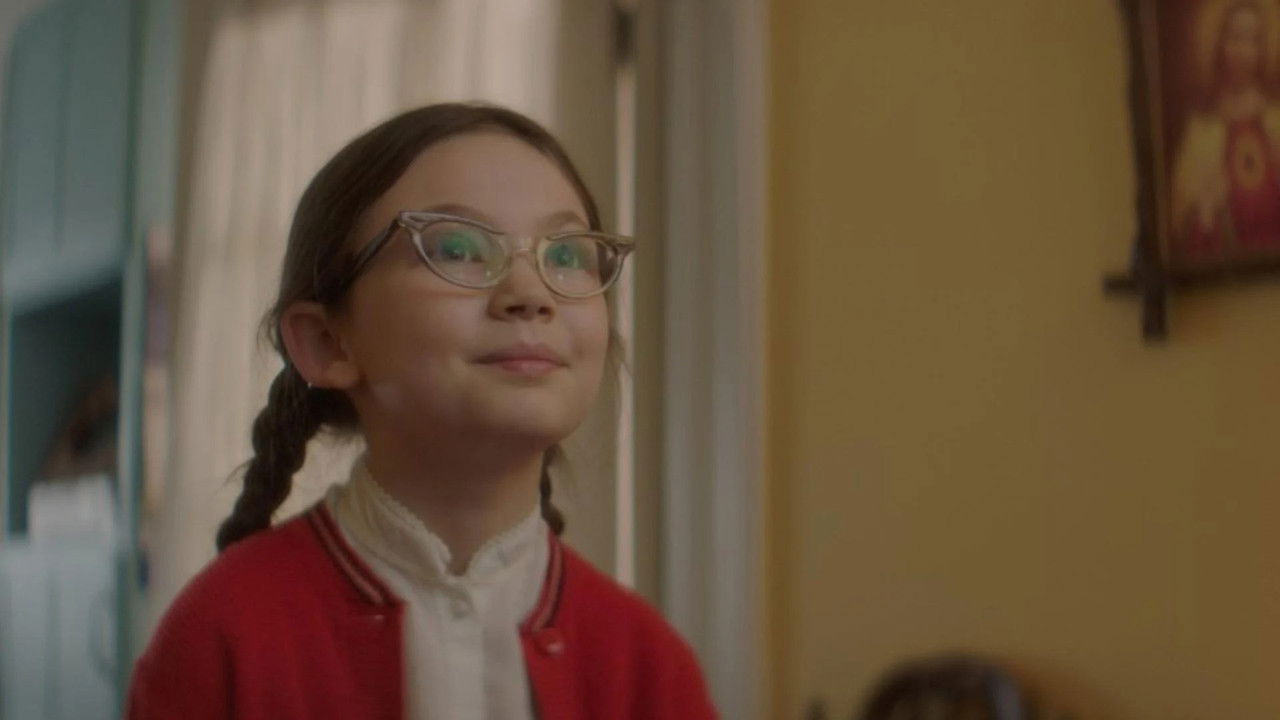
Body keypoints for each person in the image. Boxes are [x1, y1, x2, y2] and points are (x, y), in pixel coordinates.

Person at [126, 103, 717, 720]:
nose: (530, 294)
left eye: (567, 255)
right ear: (327, 343)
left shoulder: (648, 664)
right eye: (457, 247)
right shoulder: (220, 637)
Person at [1172, 0, 1280, 264]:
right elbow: (1180, 229)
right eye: (1236, 38)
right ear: (1219, 45)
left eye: (1253, 40)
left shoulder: (1277, 119)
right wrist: (1205, 212)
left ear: (1262, 48)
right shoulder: (1202, 128)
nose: (1244, 52)